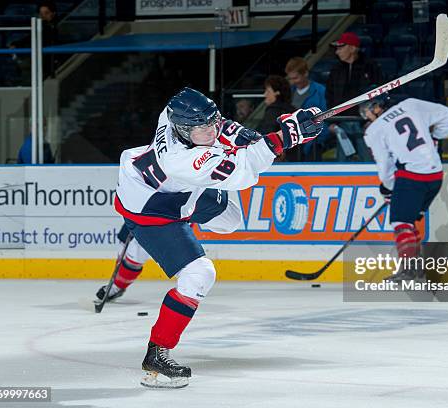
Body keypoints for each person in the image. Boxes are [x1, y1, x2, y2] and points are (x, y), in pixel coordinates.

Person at [114, 87, 322, 388]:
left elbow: (222, 127)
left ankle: (183, 231)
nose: (211, 130)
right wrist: (283, 139)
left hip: (168, 189)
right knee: (200, 274)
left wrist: (254, 138)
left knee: (231, 219)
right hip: (153, 213)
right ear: (184, 130)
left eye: (211, 122)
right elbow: (244, 170)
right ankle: (157, 354)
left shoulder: (175, 114)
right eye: (202, 128)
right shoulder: (180, 160)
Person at [360, 96, 448, 282]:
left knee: (400, 222)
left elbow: (385, 165)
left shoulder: (374, 130)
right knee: (409, 222)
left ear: (378, 107)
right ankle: (417, 270)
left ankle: (409, 272)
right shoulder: (411, 104)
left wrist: (389, 188)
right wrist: (435, 137)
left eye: (367, 109)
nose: (365, 114)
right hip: (435, 175)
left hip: (412, 177)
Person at [326, 31, 383, 161]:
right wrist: (332, 121)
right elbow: (329, 96)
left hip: (364, 123)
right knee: (342, 165)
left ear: (352, 48)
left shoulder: (371, 67)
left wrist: (371, 120)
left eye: (341, 47)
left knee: (368, 162)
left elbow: (380, 94)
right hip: (342, 123)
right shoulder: (335, 70)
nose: (337, 51)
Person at [285, 57, 329, 160]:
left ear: (305, 73)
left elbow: (326, 115)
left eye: (295, 78)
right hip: (293, 141)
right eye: (290, 78)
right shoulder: (289, 91)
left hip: (314, 142)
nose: (293, 82)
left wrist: (319, 139)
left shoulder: (320, 91)